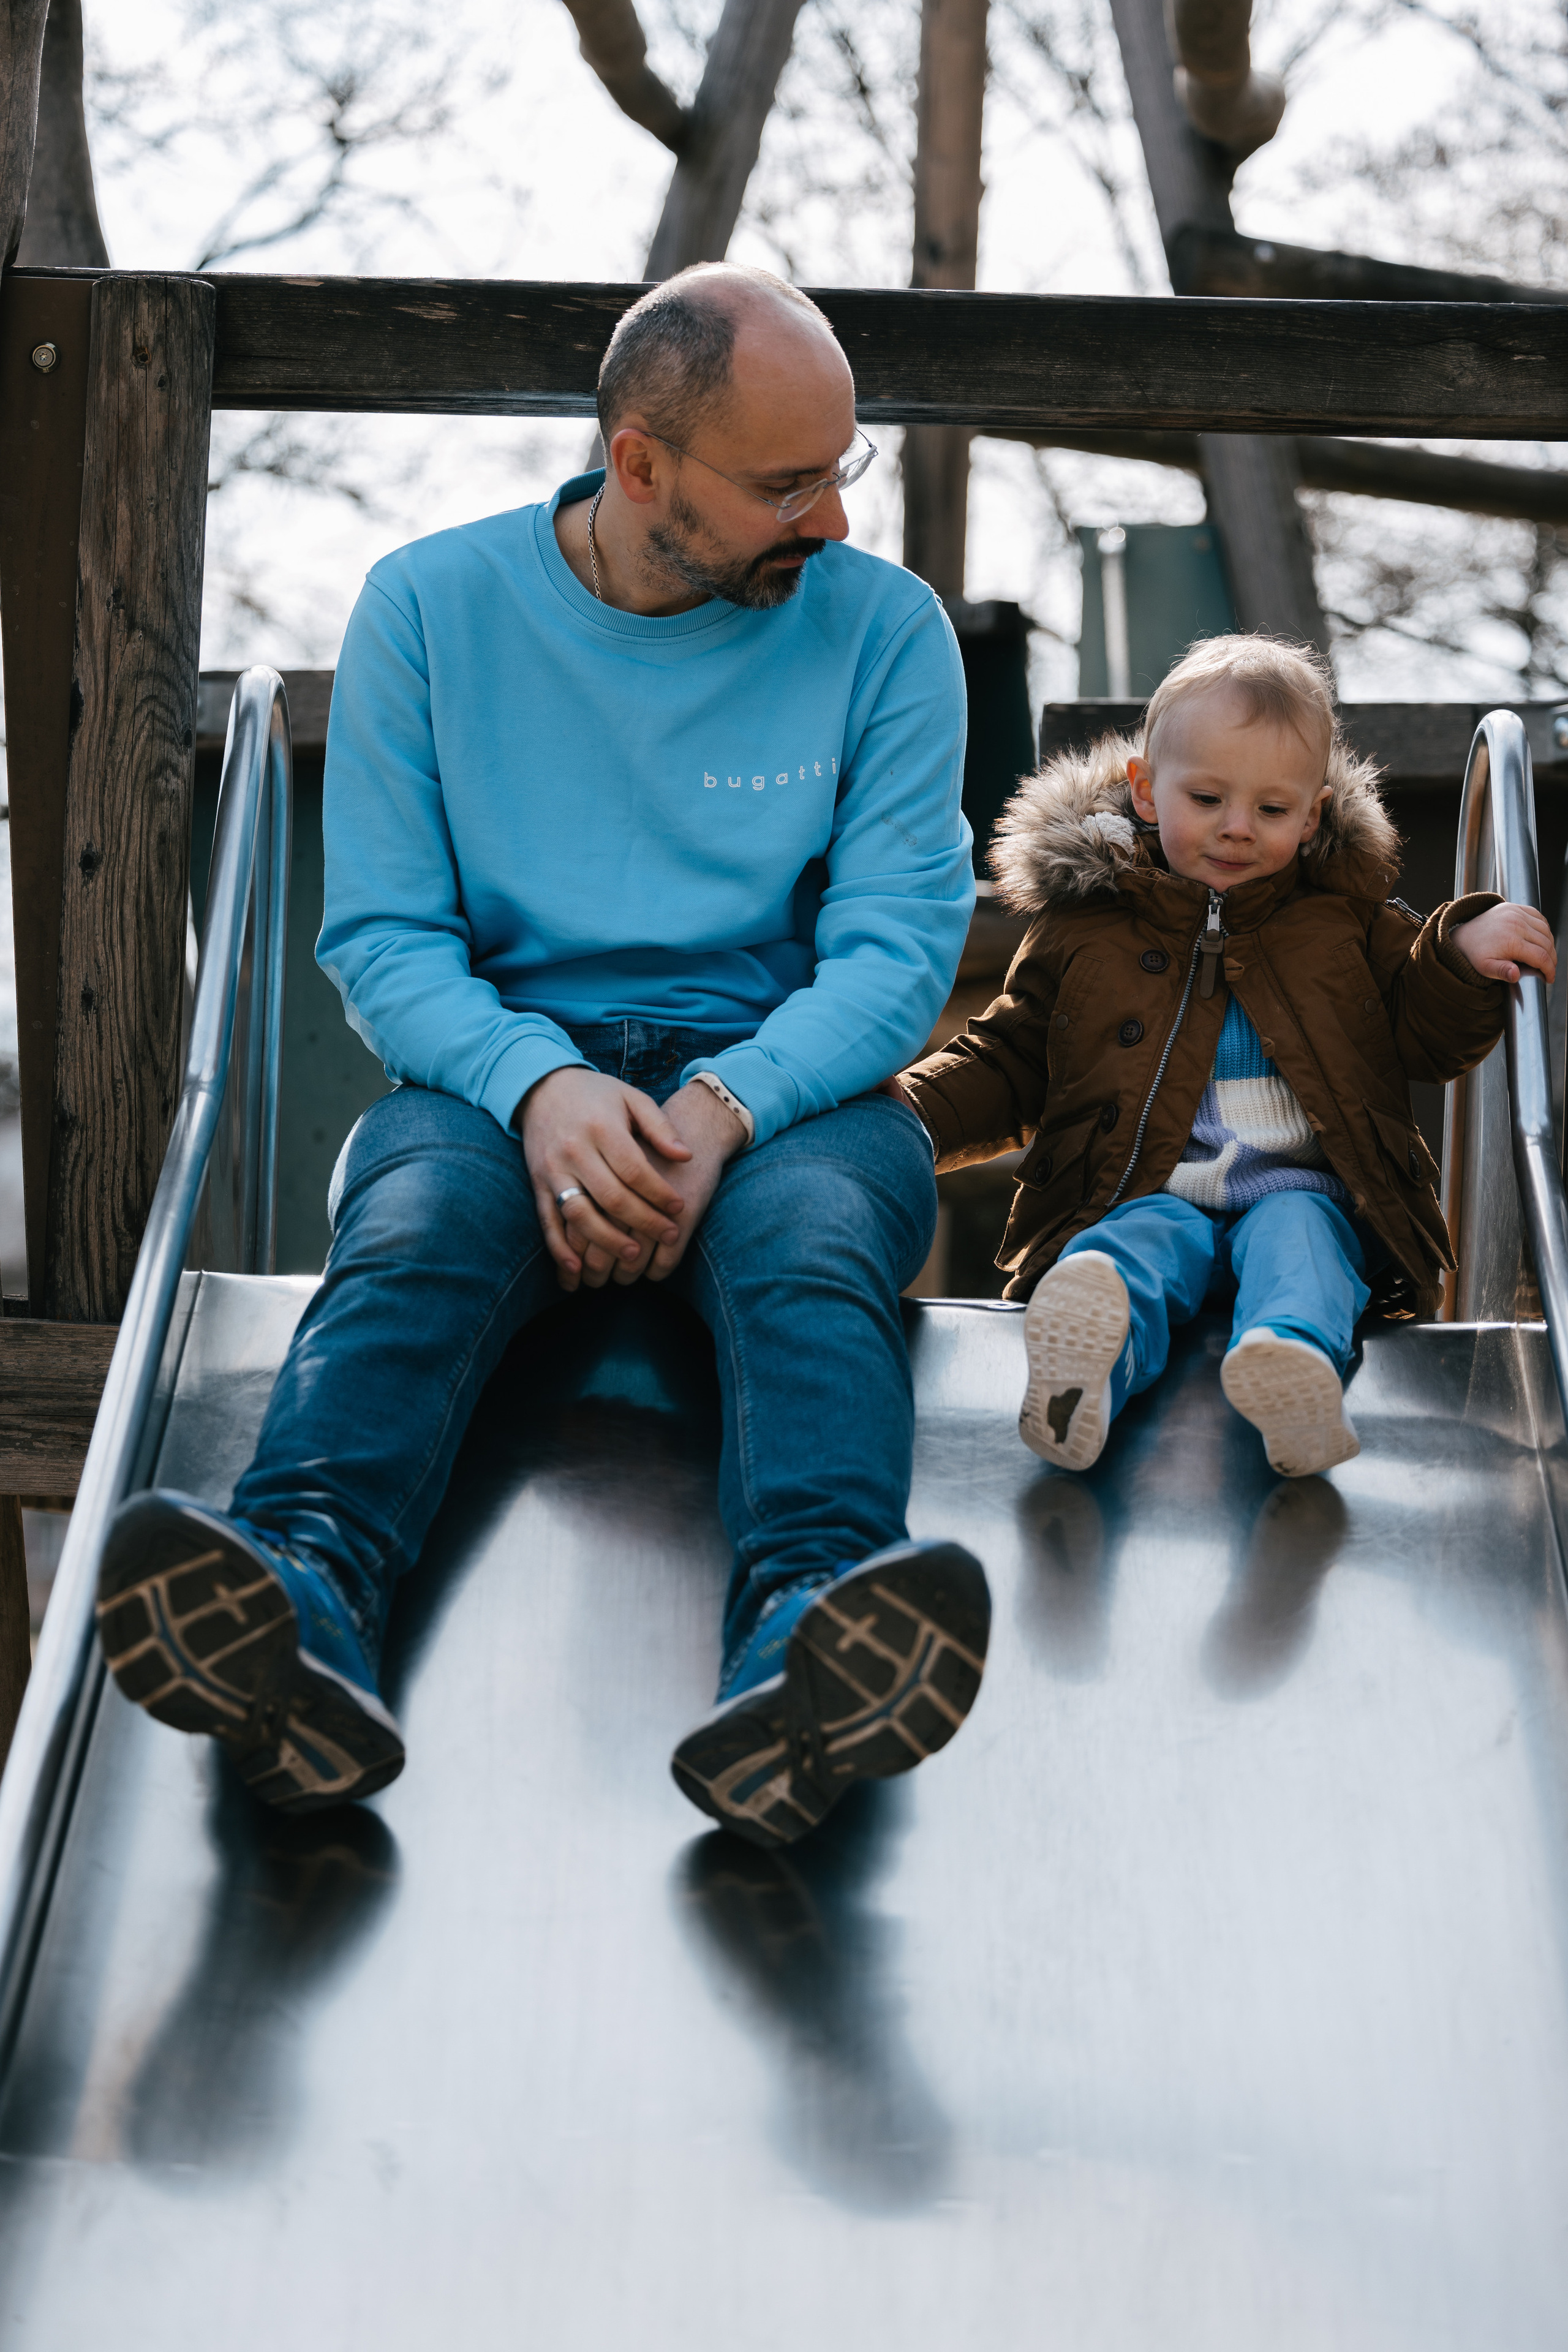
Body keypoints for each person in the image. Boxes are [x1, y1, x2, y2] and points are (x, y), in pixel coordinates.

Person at [94, 263, 992, 1848]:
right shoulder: (428, 609)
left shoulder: (885, 631)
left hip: (784, 1092)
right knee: (416, 1231)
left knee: (811, 1246)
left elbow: (895, 956)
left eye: (838, 470)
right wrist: (537, 1086)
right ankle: (296, 1607)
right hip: (501, 1081)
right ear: (641, 464)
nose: (834, 520)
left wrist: (724, 1106)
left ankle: (811, 1638)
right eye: (786, 486)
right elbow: (386, 937)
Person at [892, 634, 1555, 1479]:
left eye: (1273, 810)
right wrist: (907, 1112)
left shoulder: (1348, 923)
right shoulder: (1087, 927)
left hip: (1299, 1190)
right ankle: (1085, 1367)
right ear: (1146, 790)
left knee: (1305, 1249)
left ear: (1312, 816)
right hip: (1144, 1191)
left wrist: (1458, 955)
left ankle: (1291, 1365)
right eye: (1207, 798)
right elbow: (1012, 1059)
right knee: (1124, 1256)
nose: (1238, 828)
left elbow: (1428, 1034)